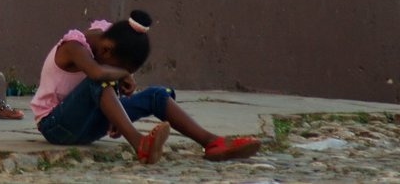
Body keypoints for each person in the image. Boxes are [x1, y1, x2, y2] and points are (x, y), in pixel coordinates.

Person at [30, 10, 261, 163]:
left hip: (88, 124)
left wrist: (118, 96)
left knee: (156, 96)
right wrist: (121, 75)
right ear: (106, 50)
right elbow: (98, 73)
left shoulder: (109, 37)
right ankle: (140, 143)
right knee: (98, 80)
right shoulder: (74, 46)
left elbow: (106, 74)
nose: (122, 73)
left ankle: (212, 143)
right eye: (121, 67)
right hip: (56, 126)